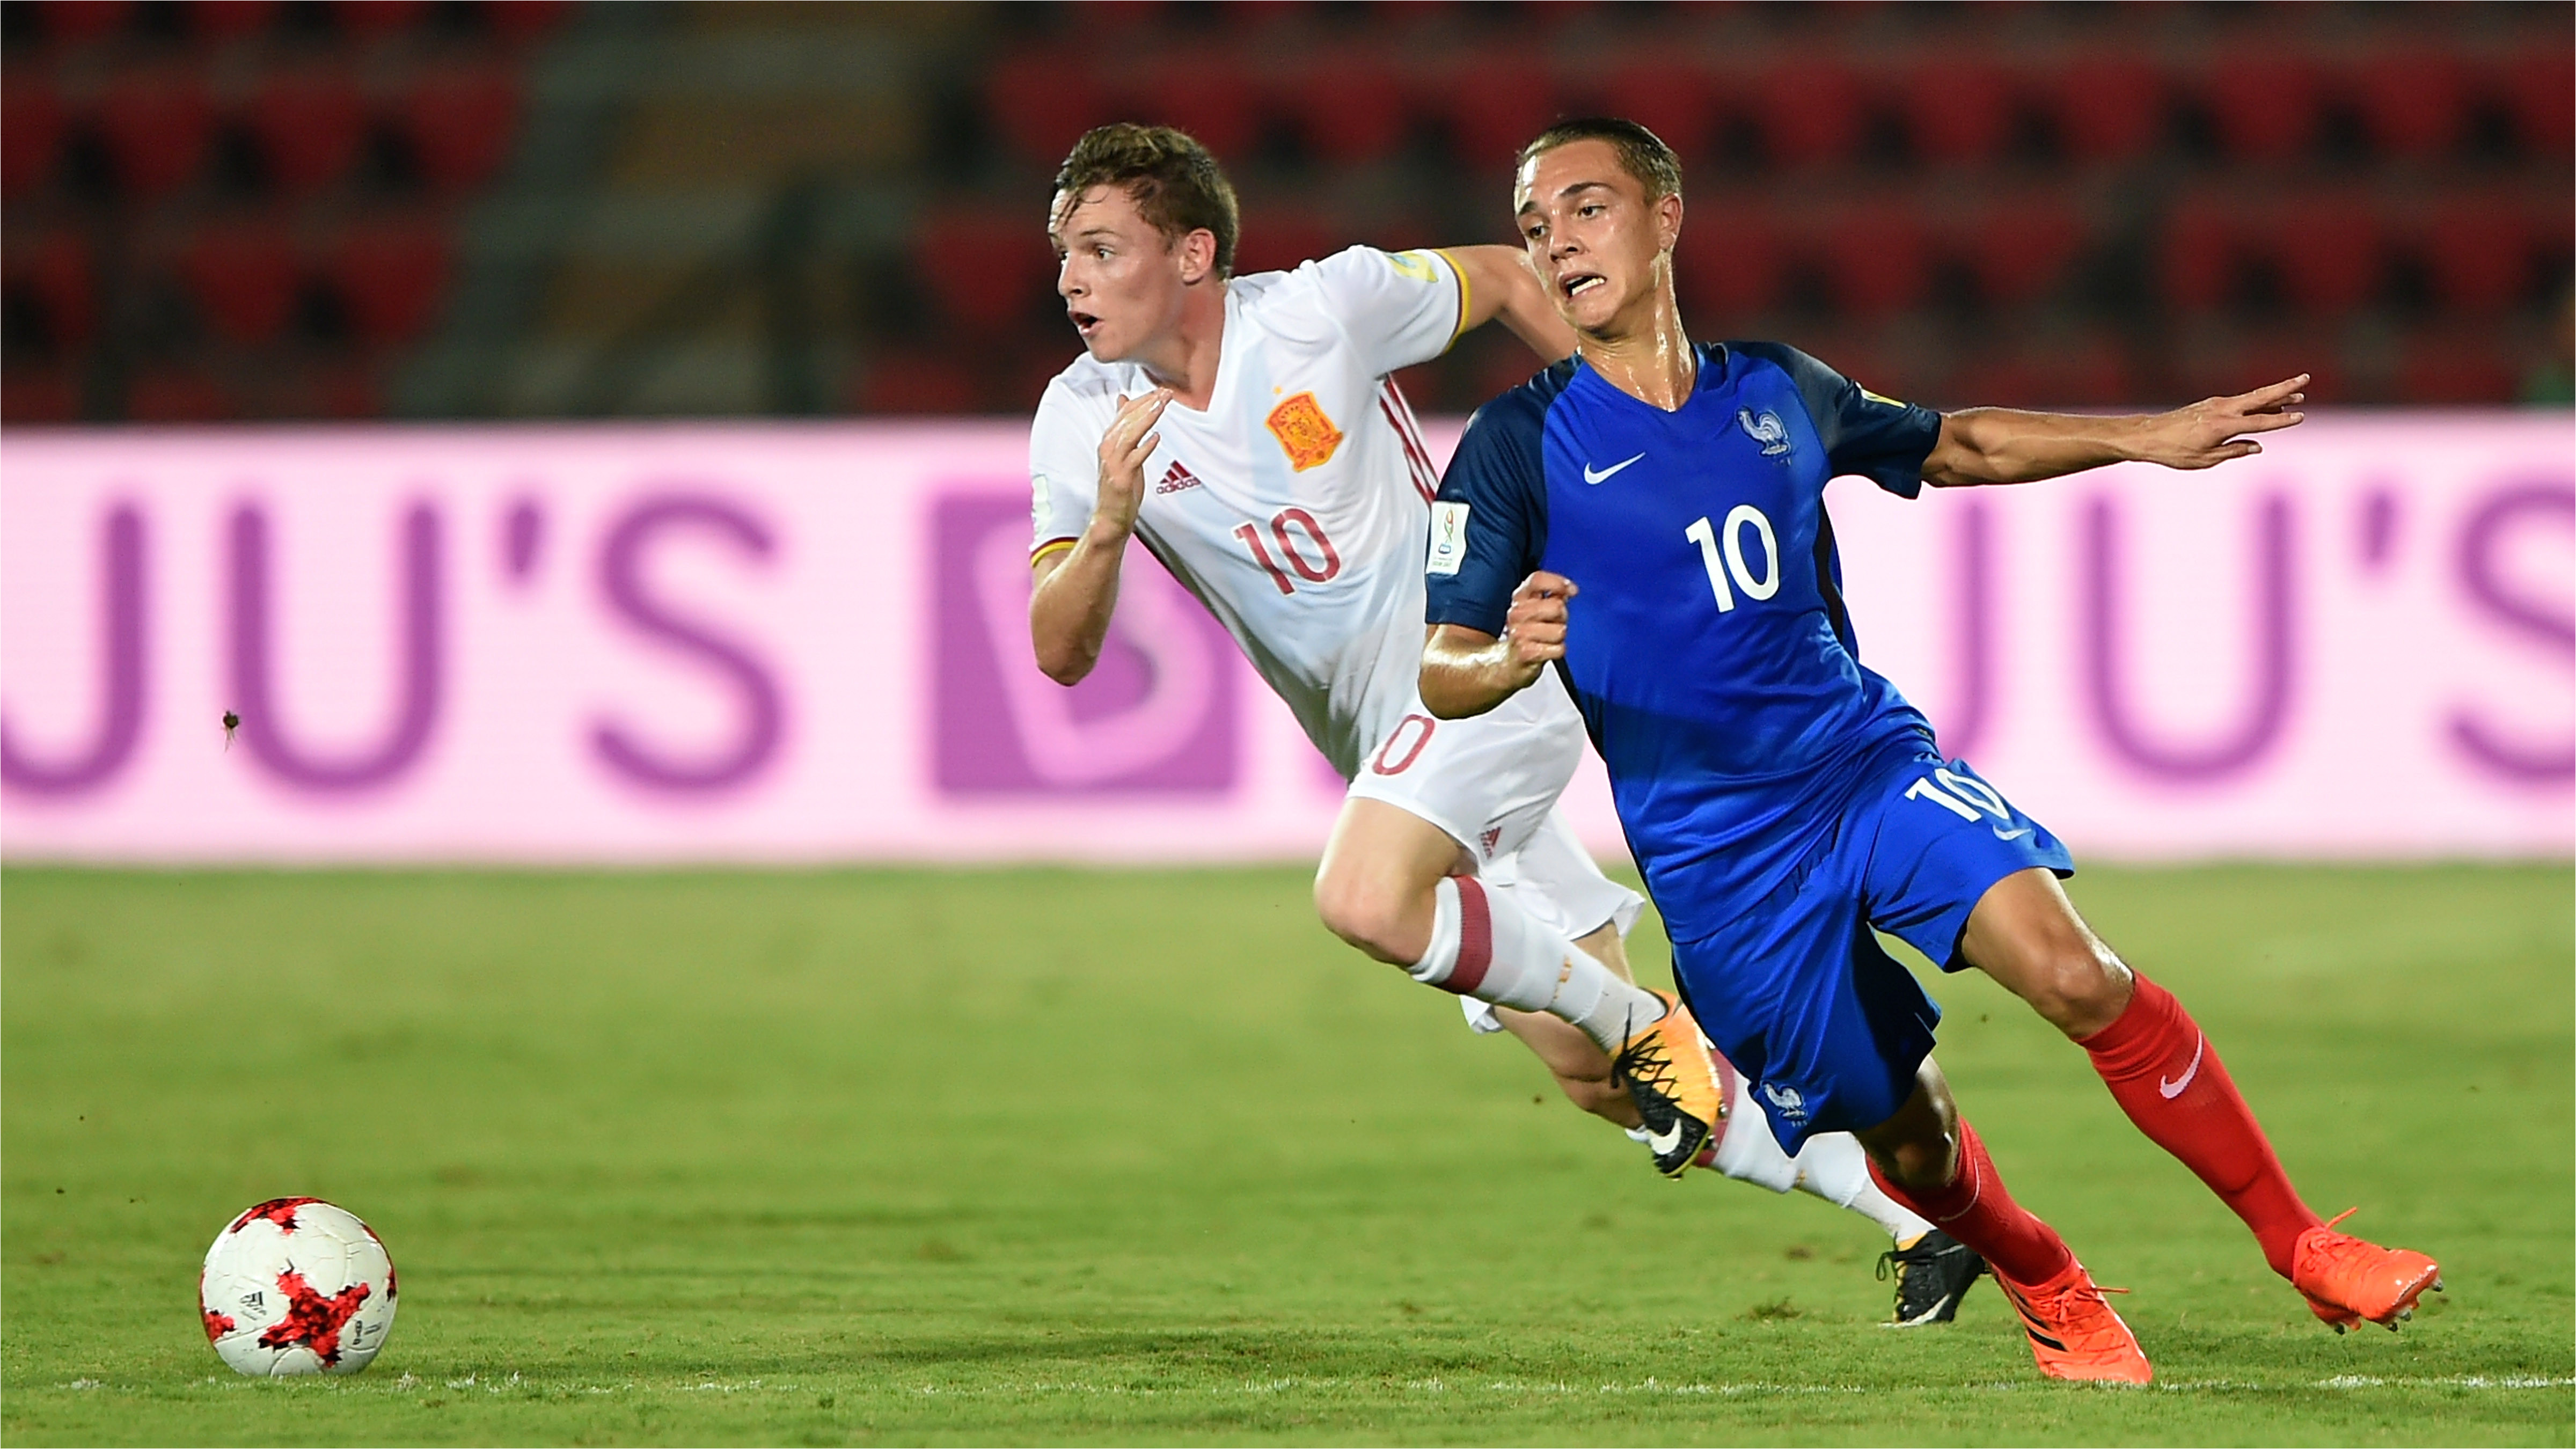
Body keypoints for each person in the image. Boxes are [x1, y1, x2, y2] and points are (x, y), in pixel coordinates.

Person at [1419, 116, 2443, 1384]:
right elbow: (1441, 664)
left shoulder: (1779, 389)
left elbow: (1949, 444)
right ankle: (2042, 1277)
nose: (1556, 242)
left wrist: (2137, 435)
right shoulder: (1517, 446)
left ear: (1664, 220)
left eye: (1584, 208)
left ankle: (2302, 1245)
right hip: (1716, 858)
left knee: (2075, 972)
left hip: (1859, 766)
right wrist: (1506, 655)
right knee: (1912, 1141)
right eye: (1534, 226)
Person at [1024, 122, 1987, 1325]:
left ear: (1193, 254)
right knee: (1594, 1078)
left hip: (1483, 676)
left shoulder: (1327, 309)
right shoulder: (1079, 419)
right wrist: (1110, 521)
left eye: (1101, 247)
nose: (1069, 275)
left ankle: (1650, 1026)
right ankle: (1930, 1223)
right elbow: (1058, 651)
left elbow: (1510, 277)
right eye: (1063, 250)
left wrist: (1612, 443)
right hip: (1391, 753)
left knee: (1369, 900)